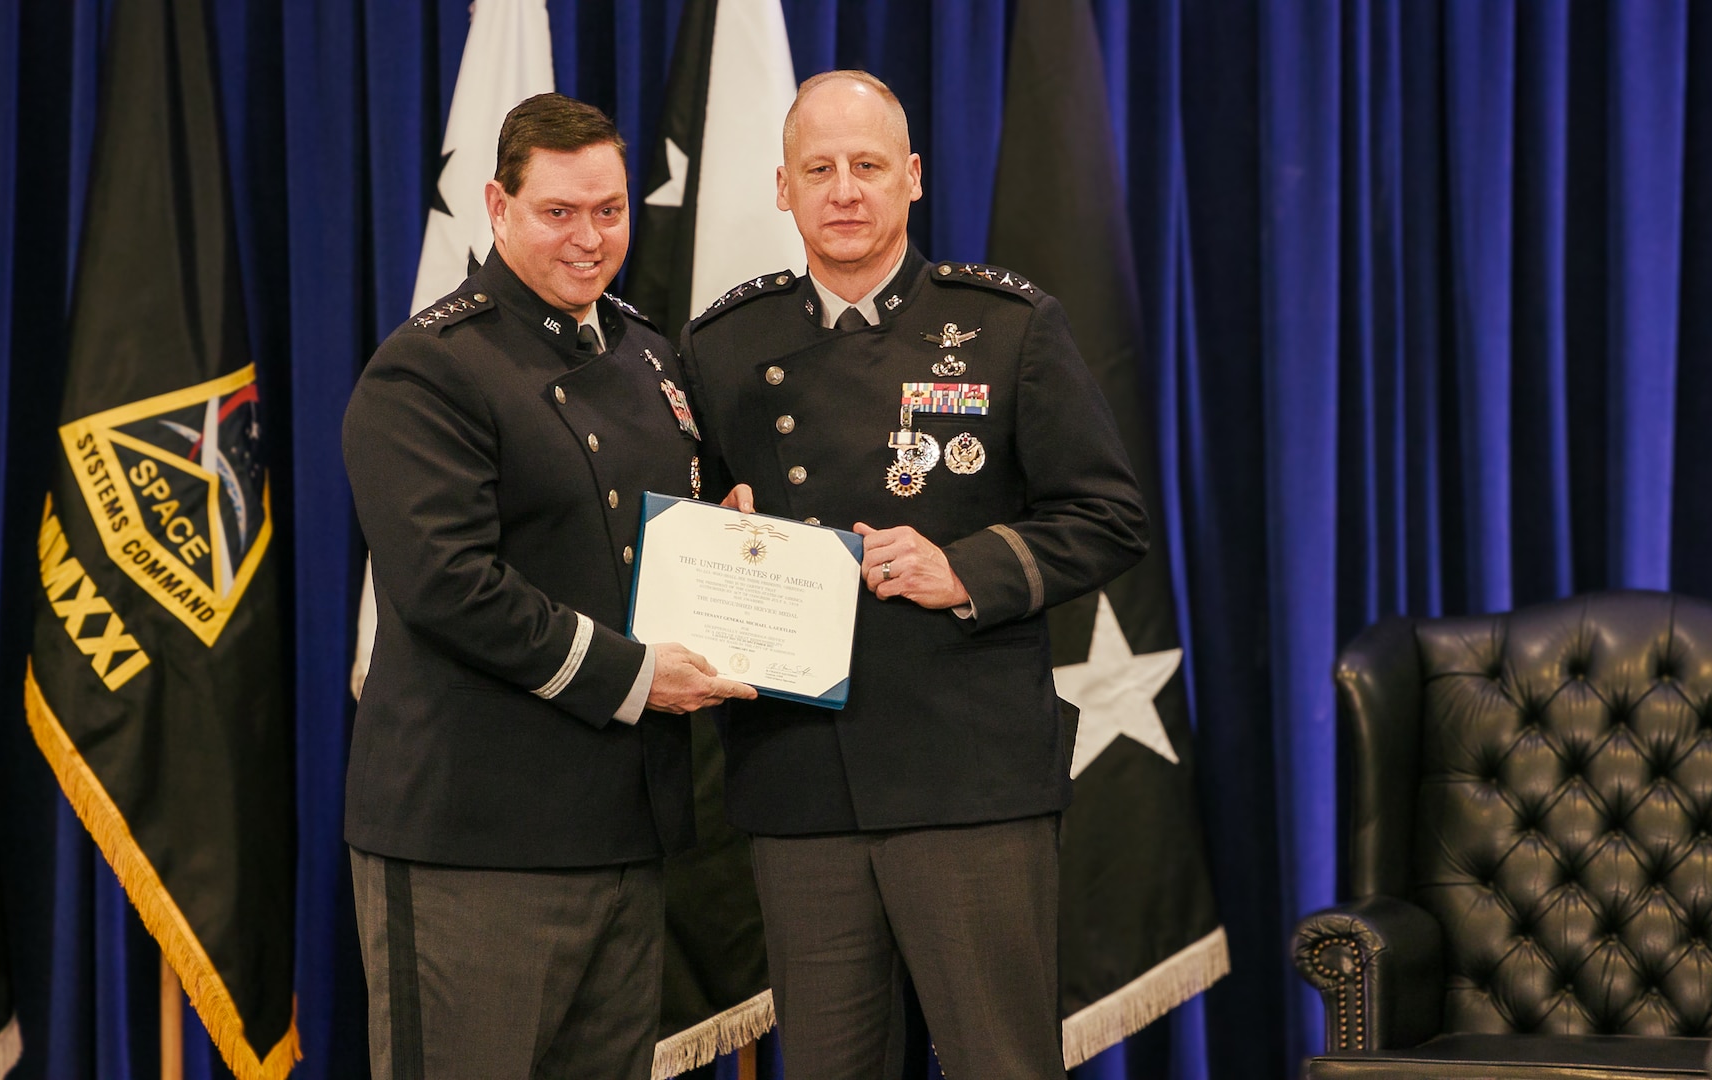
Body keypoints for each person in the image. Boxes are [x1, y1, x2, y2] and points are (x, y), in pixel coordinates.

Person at [679, 71, 1149, 1078]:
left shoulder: (1008, 327)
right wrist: (713, 537)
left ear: (913, 179)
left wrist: (967, 569)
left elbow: (1110, 518)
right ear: (782, 189)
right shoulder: (723, 346)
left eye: (867, 166)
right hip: (800, 776)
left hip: (967, 780)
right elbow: (686, 534)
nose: (843, 190)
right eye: (819, 169)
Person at [341, 92, 755, 1080]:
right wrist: (632, 678)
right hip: (474, 839)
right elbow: (449, 585)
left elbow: (646, 546)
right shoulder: (428, 371)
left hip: (625, 832)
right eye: (558, 212)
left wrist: (732, 549)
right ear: (496, 203)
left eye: (608, 210)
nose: (589, 237)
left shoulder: (649, 356)